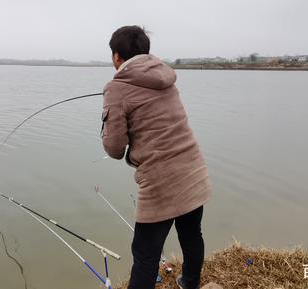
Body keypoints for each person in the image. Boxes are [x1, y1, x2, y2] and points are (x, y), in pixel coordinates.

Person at [101, 25, 212, 289]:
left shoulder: (116, 88)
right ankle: (190, 282)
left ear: (117, 56)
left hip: (161, 181)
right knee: (191, 235)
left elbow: (114, 149)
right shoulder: (166, 77)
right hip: (193, 169)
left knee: (145, 252)